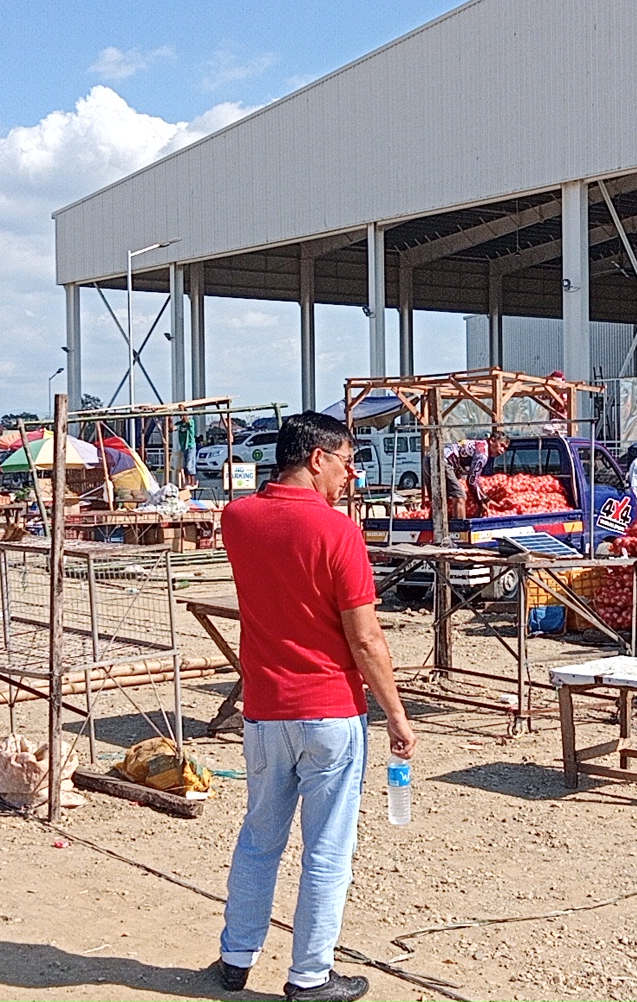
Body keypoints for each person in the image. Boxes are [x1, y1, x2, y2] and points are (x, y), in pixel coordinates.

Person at [215, 413, 416, 1001]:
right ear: (316, 459)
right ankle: (309, 975)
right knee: (326, 846)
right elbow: (366, 639)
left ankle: (236, 955)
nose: (352, 473)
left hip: (265, 710)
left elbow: (264, 518)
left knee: (260, 835)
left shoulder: (238, 519)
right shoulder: (338, 532)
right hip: (329, 709)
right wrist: (397, 714)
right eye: (346, 460)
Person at [443, 429, 509, 520]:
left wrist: (485, 497)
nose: (502, 451)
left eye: (505, 448)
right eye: (501, 445)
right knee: (460, 496)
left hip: (433, 459)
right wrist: (480, 502)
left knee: (442, 498)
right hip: (444, 462)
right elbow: (471, 481)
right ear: (492, 440)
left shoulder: (480, 444)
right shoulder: (482, 454)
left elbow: (475, 479)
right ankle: (461, 531)